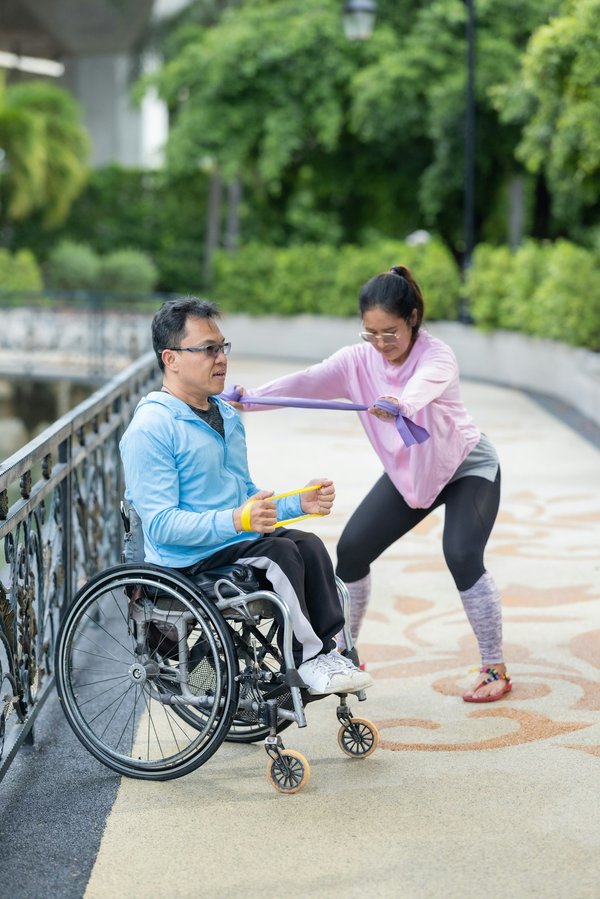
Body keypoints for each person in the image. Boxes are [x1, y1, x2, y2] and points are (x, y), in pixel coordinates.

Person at [232, 265, 511, 703]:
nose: (381, 344)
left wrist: (400, 403)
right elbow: (306, 382)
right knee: (352, 550)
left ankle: (494, 667)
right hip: (411, 474)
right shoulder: (356, 362)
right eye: (371, 333)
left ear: (413, 318)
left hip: (465, 468)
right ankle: (347, 654)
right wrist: (250, 399)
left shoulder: (437, 356)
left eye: (390, 333)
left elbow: (422, 387)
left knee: (461, 553)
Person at [119, 297, 373, 697]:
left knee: (308, 545)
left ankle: (328, 653)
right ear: (171, 359)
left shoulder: (226, 416)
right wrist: (237, 520)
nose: (221, 358)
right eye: (208, 349)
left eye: (222, 347)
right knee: (280, 554)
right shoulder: (151, 428)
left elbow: (246, 496)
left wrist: (298, 503)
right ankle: (311, 659)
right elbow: (163, 526)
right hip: (184, 560)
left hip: (232, 543)